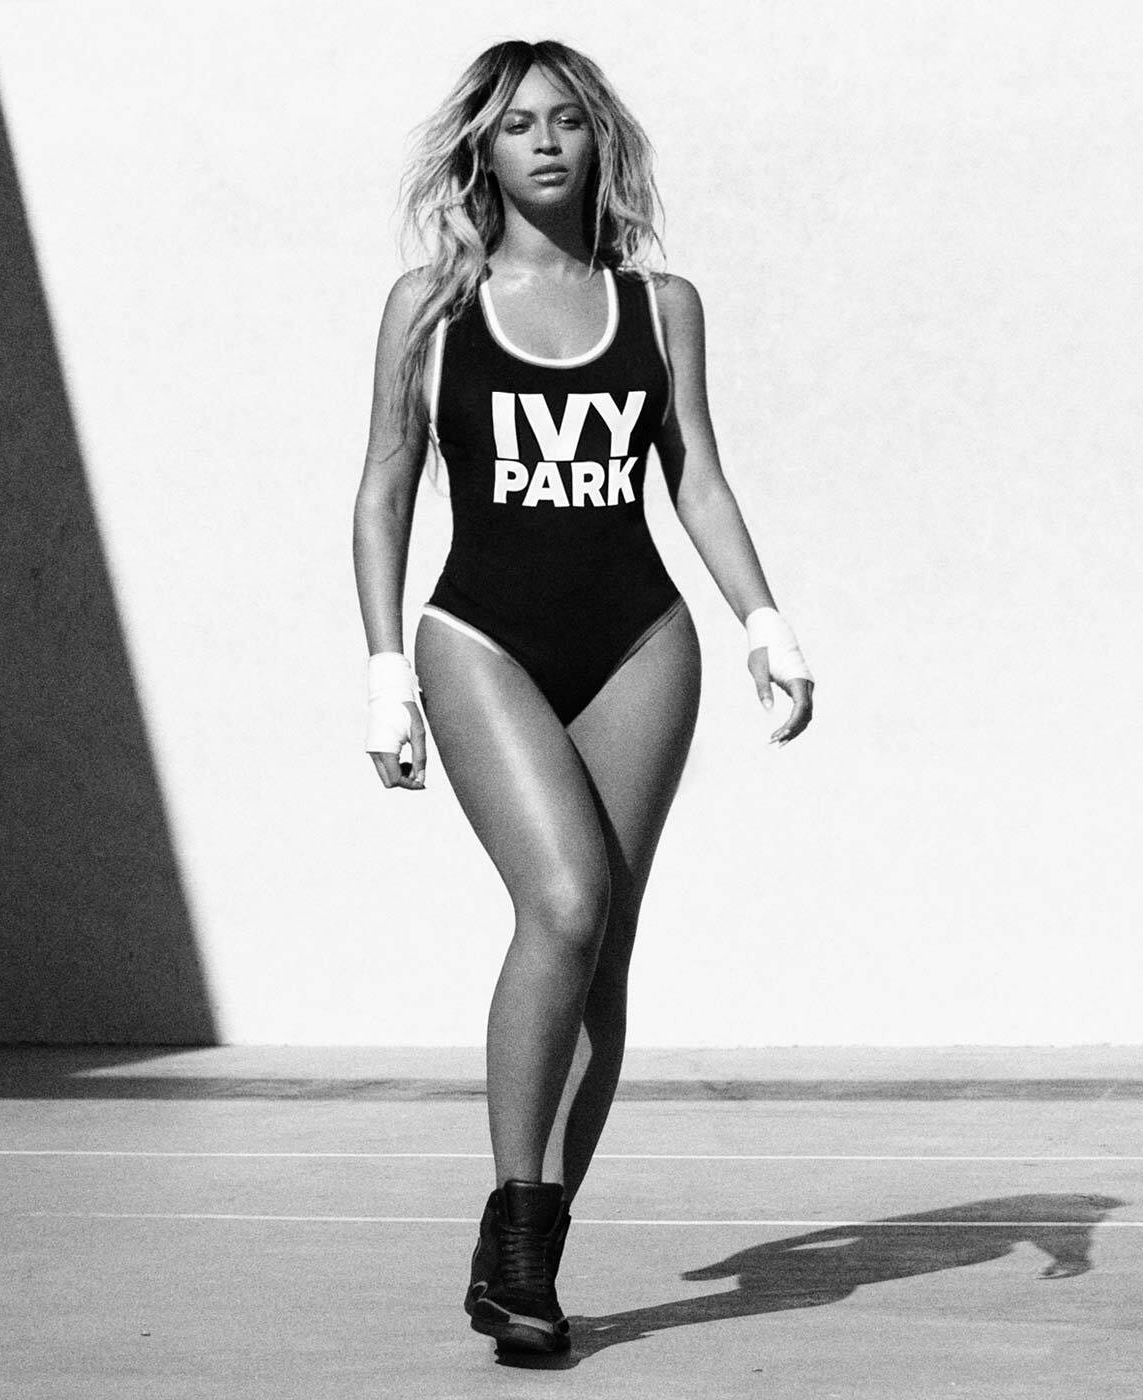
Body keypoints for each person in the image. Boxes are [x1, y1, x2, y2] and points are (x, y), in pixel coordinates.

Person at [348, 37, 816, 1357]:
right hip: (478, 636)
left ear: (600, 138)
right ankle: (512, 1216)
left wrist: (765, 623)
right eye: (517, 125)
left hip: (638, 641)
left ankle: (528, 1264)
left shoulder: (661, 305)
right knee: (560, 901)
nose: (546, 142)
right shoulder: (430, 308)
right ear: (481, 153)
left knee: (603, 951)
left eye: (566, 120)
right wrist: (383, 672)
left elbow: (696, 474)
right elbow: (385, 487)